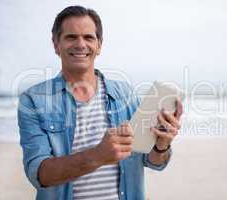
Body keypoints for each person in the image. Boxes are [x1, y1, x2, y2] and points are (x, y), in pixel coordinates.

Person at [18, 5, 183, 200]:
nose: (81, 44)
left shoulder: (126, 94)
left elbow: (153, 161)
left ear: (99, 45)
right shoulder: (34, 100)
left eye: (88, 37)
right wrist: (97, 156)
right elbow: (39, 174)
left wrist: (161, 145)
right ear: (56, 44)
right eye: (71, 37)